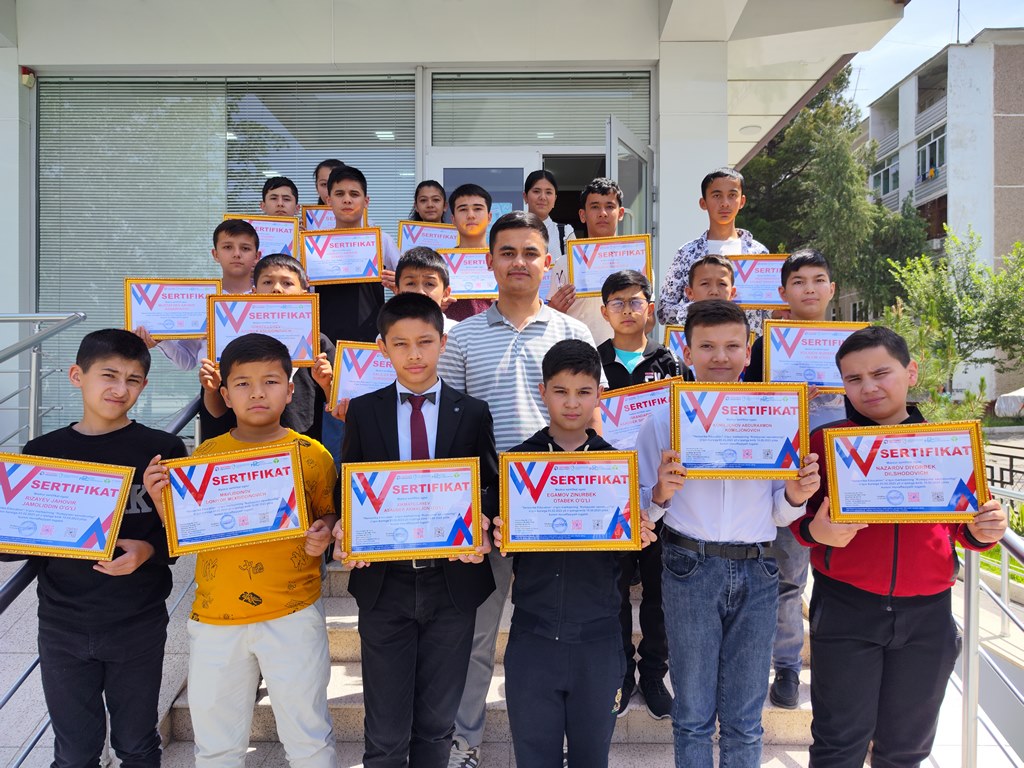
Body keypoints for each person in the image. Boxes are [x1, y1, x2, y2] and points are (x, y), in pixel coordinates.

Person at [790, 326, 1007, 768]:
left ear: (911, 372)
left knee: (906, 748)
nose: (868, 387)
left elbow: (965, 528)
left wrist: (985, 531)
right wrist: (815, 531)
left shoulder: (948, 444)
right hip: (846, 608)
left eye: (880, 373)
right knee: (837, 742)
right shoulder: (825, 442)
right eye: (853, 379)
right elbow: (797, 518)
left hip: (928, 614)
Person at [441, 211, 605, 768]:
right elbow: (451, 433)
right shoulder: (461, 338)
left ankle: (568, 739)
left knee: (561, 627)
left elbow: (593, 418)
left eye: (530, 252)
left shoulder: (574, 333)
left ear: (548, 263)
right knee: (477, 635)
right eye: (507, 252)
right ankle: (463, 741)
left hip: (560, 508)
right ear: (488, 261)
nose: (519, 262)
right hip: (489, 510)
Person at [636, 299, 821, 768]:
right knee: (693, 715)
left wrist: (796, 494)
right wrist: (659, 493)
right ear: (687, 351)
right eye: (707, 346)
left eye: (732, 346)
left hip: (757, 569)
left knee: (745, 719)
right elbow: (640, 514)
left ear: (748, 350)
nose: (720, 356)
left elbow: (779, 513)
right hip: (688, 567)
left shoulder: (777, 417)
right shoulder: (663, 421)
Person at [144, 333, 338, 768]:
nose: (257, 393)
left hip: (292, 612)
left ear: (290, 390)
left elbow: (328, 513)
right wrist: (160, 500)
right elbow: (185, 531)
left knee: (308, 738)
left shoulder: (314, 455)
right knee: (216, 746)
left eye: (270, 381)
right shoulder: (204, 456)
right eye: (243, 383)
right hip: (216, 618)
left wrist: (325, 531)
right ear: (225, 394)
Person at [0, 329, 187, 768]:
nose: (120, 389)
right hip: (62, 624)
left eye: (133, 379)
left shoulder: (161, 451)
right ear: (76, 376)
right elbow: (13, 547)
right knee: (74, 753)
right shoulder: (42, 453)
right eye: (109, 375)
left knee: (137, 744)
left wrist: (148, 550)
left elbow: (183, 539)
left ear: (144, 385)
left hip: (138, 622)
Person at [331, 292, 498, 768]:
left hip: (452, 583)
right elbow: (351, 484)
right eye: (401, 344)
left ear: (443, 343)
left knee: (437, 724)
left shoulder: (473, 411)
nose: (414, 354)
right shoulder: (364, 411)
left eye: (425, 341)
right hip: (386, 583)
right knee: (385, 730)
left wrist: (483, 523)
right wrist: (348, 528)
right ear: (383, 347)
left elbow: (488, 486)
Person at [491, 339, 656, 768]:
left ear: (599, 394)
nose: (571, 403)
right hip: (533, 638)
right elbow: (498, 539)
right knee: (534, 758)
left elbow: (631, 558)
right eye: (561, 391)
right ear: (542, 392)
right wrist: (498, 532)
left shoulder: (617, 467)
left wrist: (637, 535)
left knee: (592, 758)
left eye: (583, 392)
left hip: (599, 642)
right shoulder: (518, 463)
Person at [743, 248, 845, 708]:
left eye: (818, 280)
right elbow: (746, 404)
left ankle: (836, 664)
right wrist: (786, 394)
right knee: (788, 577)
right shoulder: (767, 346)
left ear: (832, 289)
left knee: (841, 579)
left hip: (846, 475)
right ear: (782, 291)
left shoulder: (855, 342)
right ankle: (786, 666)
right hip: (789, 476)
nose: (809, 289)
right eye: (798, 281)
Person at [595, 270, 678, 719]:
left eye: (635, 301)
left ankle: (653, 672)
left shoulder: (670, 362)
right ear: (604, 311)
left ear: (650, 308)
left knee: (659, 592)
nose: (627, 310)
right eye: (617, 303)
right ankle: (622, 672)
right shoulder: (594, 360)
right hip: (610, 495)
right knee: (614, 592)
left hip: (662, 497)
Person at [197, 254, 334, 443]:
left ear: (305, 293)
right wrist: (211, 390)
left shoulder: (318, 344)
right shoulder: (228, 338)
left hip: (300, 447)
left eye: (287, 283)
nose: (276, 289)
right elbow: (216, 411)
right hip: (241, 447)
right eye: (268, 282)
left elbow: (337, 408)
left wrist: (327, 385)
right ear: (254, 291)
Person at [133, 218, 261, 371]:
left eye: (245, 248)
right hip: (212, 384)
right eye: (228, 247)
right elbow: (187, 361)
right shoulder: (200, 302)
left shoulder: (270, 300)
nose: (237, 254)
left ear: (257, 256)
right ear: (215, 254)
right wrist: (162, 340)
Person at [656, 168, 769, 334]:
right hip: (701, 344)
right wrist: (702, 308)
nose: (725, 203)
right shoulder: (687, 253)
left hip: (746, 346)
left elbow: (770, 311)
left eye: (732, 195)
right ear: (703, 203)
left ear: (742, 201)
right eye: (717, 195)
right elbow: (663, 311)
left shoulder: (758, 253)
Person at [315, 164, 400, 345]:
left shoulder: (381, 240)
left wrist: (398, 284)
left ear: (366, 201)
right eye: (339, 194)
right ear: (328, 200)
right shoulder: (315, 244)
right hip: (325, 343)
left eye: (354, 194)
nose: (347, 200)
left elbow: (405, 280)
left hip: (372, 343)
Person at [548, 177, 627, 346]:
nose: (603, 213)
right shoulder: (564, 263)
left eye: (610, 206)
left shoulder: (637, 261)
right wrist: (553, 309)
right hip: (577, 354)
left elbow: (649, 321)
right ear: (582, 215)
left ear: (620, 213)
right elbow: (552, 320)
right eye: (595, 206)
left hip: (623, 355)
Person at [445, 183, 494, 322]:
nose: (471, 215)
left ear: (489, 217)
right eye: (463, 209)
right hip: (453, 332)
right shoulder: (442, 262)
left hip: (496, 332)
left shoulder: (504, 259)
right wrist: (436, 305)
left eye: (478, 209)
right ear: (453, 219)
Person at [523, 170, 573, 258]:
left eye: (548, 192)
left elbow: (574, 265)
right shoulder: (514, 231)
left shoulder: (566, 232)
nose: (543, 197)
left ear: (555, 199)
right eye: (536, 191)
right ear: (525, 197)